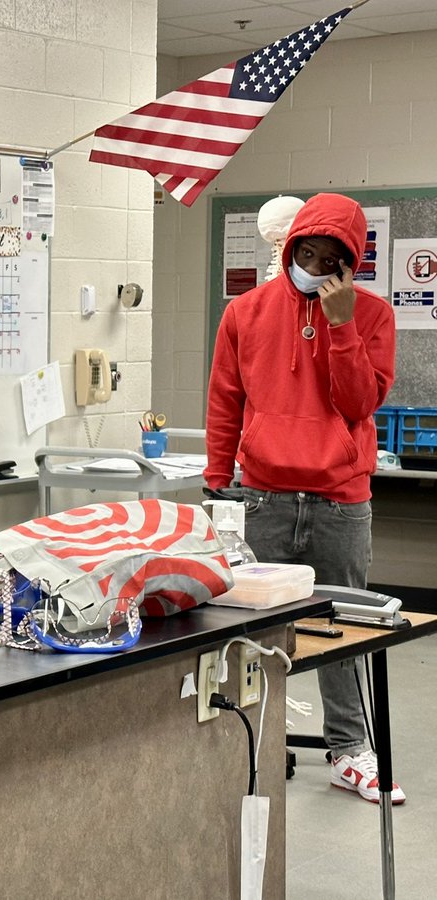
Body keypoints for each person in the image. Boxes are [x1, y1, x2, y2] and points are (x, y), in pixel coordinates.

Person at [204, 192, 402, 804]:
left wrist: (340, 324)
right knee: (255, 628)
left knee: (344, 627)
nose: (313, 265)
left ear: (351, 264)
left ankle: (351, 751)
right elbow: (225, 399)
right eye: (305, 252)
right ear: (289, 248)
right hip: (262, 494)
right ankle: (258, 742)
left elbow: (359, 403)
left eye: (329, 258)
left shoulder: (372, 316)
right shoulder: (246, 312)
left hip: (341, 499)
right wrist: (218, 479)